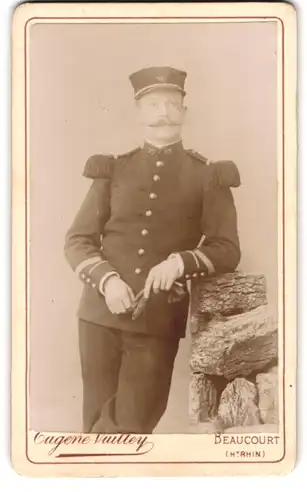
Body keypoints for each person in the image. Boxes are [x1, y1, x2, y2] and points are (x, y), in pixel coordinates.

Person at [64, 66, 241, 434]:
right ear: (138, 112)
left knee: (131, 424)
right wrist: (108, 281)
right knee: (94, 423)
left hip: (157, 319)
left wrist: (180, 262)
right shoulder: (113, 169)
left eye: (172, 104)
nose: (163, 113)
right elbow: (78, 240)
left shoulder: (208, 174)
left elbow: (227, 248)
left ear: (185, 113)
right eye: (153, 104)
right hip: (98, 316)